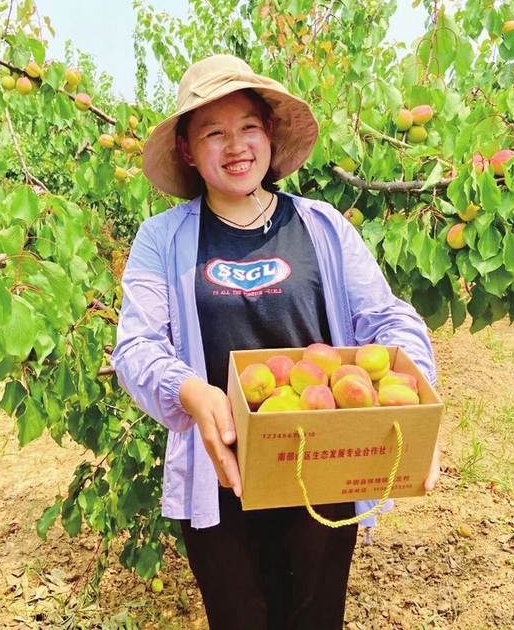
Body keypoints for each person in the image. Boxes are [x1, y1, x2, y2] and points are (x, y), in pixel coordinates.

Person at [111, 54, 440, 630]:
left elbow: (388, 321)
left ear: (269, 135)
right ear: (188, 150)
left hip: (320, 463)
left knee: (314, 616)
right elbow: (136, 346)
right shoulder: (161, 239)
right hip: (220, 473)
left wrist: (417, 405)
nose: (234, 145)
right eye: (213, 132)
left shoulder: (323, 226)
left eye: (248, 127)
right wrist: (190, 390)